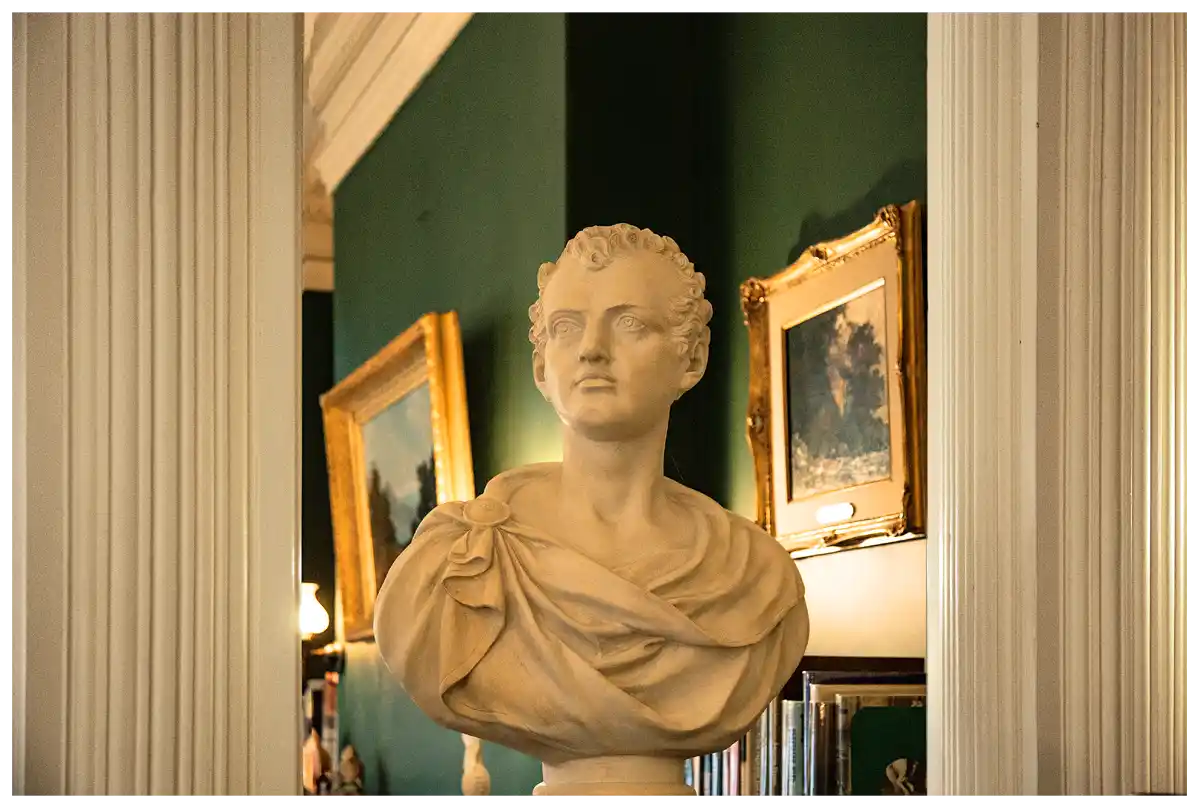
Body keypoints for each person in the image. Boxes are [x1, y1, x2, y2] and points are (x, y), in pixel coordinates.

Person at [374, 224, 810, 797]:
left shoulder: (755, 578)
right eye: (566, 327)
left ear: (692, 358)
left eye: (629, 323)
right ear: (541, 367)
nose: (591, 348)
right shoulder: (452, 564)